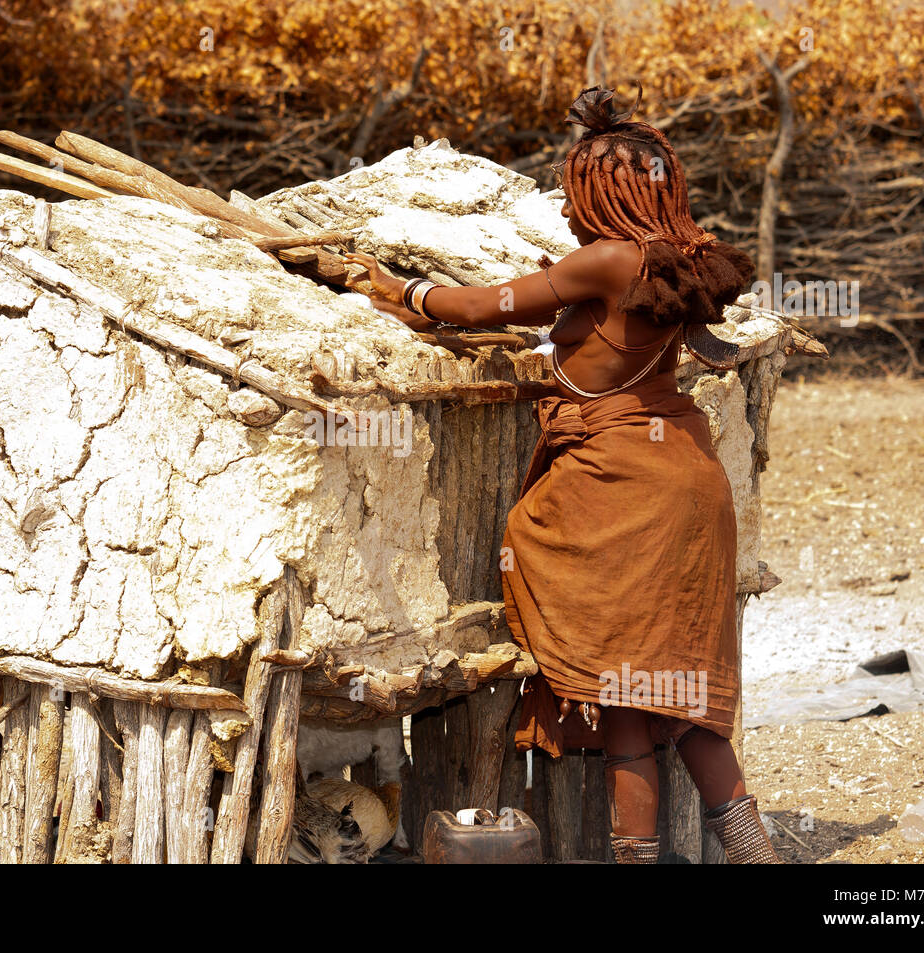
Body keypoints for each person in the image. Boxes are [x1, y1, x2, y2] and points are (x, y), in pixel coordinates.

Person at [340, 86, 780, 864]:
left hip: (626, 493)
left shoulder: (610, 259)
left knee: (624, 685)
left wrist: (397, 289)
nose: (570, 210)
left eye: (577, 190)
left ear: (604, 193)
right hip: (683, 478)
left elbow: (488, 302)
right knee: (661, 699)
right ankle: (750, 856)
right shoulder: (677, 262)